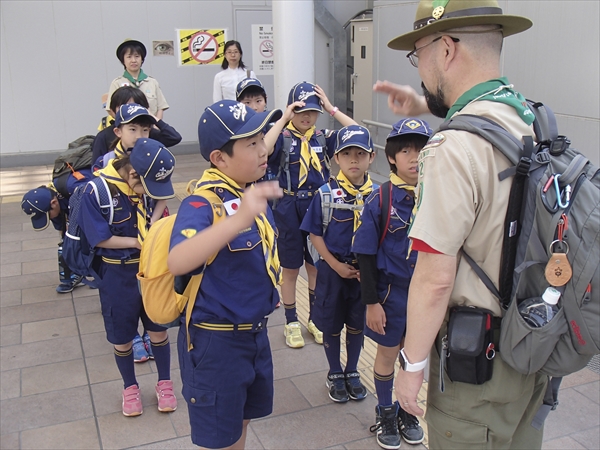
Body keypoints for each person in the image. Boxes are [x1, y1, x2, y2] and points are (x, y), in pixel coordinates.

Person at [375, 1, 547, 448]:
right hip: (532, 342)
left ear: (446, 49)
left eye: (420, 55)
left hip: (477, 365)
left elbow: (434, 279)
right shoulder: (530, 120)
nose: (420, 70)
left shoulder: (451, 147)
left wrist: (411, 369)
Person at [167, 100, 283, 449]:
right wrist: (237, 221)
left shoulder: (246, 191)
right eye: (251, 144)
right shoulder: (203, 203)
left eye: (262, 138)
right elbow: (178, 260)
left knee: (240, 423)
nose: (264, 150)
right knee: (222, 438)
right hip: (216, 345)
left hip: (254, 336)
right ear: (219, 159)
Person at [78, 138, 177, 417]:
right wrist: (137, 242)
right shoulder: (96, 191)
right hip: (117, 273)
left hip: (152, 268)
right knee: (122, 336)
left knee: (158, 329)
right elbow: (100, 238)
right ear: (133, 173)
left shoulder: (147, 183)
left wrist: (155, 222)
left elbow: (161, 199)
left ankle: (164, 382)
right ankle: (130, 386)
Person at [352, 118, 431, 449]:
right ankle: (386, 410)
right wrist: (371, 302)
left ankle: (405, 409)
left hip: (428, 295)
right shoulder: (380, 200)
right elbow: (365, 256)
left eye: (421, 150)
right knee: (388, 353)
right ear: (392, 157)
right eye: (405, 150)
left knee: (415, 357)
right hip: (391, 294)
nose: (414, 157)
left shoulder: (438, 196)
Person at [267, 82, 358, 349]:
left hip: (318, 206)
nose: (307, 116)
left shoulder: (322, 137)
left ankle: (315, 319)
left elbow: (356, 133)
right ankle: (291, 320)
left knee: (316, 266)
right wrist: (283, 117)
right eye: (300, 110)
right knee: (290, 267)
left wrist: (332, 109)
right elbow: (263, 148)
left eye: (313, 111)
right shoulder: (283, 138)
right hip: (288, 206)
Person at [299, 125, 375, 403]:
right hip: (333, 271)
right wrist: (333, 264)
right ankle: (334, 371)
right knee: (331, 324)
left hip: (363, 274)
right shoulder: (326, 194)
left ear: (372, 157)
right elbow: (315, 234)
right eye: (346, 154)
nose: (353, 160)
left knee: (357, 324)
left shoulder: (376, 195)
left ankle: (352, 370)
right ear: (336, 159)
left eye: (360, 154)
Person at [21, 171, 92, 293]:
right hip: (77, 206)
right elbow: (62, 232)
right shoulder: (52, 201)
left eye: (47, 215)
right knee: (67, 243)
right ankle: (75, 273)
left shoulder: (75, 187)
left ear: (53, 204)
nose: (50, 218)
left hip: (102, 203)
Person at [92, 86, 181, 163]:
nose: (129, 110)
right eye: (123, 107)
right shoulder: (104, 136)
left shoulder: (145, 132)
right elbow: (96, 169)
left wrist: (151, 116)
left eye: (134, 107)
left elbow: (174, 137)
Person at [106, 39, 169, 119]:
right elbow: (110, 109)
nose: (133, 60)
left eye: (137, 56)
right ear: (123, 60)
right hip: (128, 129)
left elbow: (161, 107)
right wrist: (124, 125)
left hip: (151, 127)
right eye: (129, 57)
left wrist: (156, 125)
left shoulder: (152, 82)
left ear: (142, 59)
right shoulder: (117, 83)